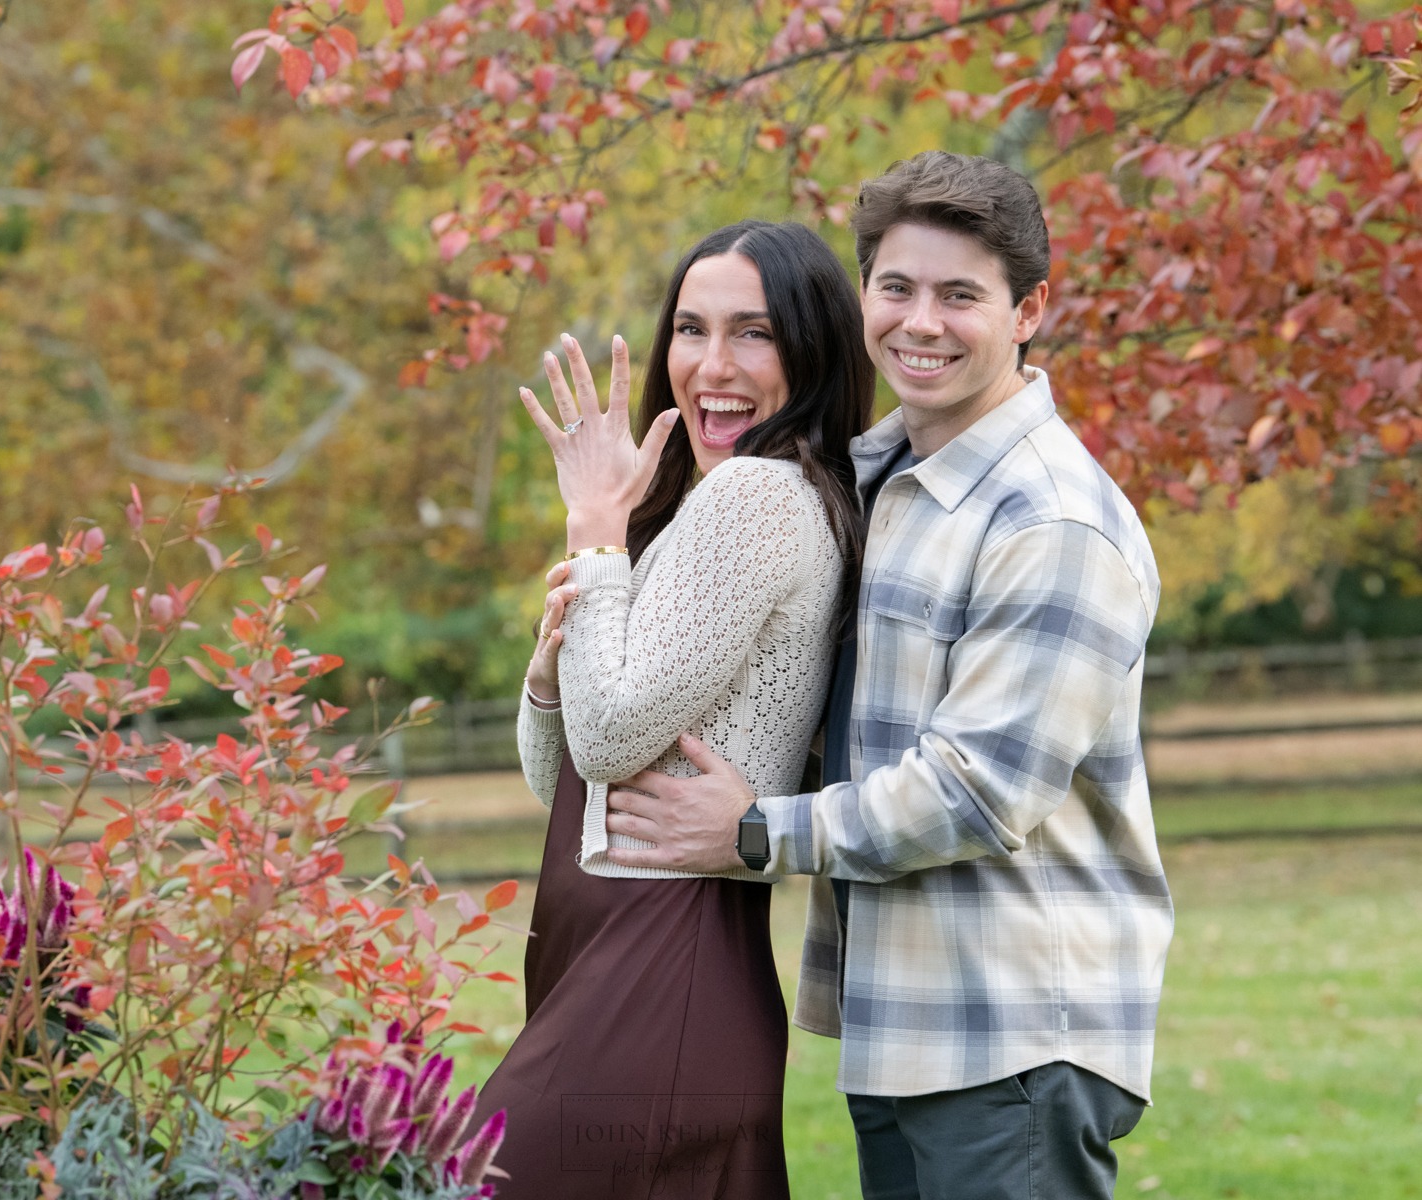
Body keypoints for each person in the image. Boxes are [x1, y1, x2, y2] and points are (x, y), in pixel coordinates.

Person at [599, 151, 1175, 1200]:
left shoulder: (1050, 520)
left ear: (1029, 309)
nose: (922, 323)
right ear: (863, 296)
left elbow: (980, 788)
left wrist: (756, 830)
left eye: (962, 295)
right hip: (899, 1022)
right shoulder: (876, 481)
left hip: (1010, 1035)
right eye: (897, 288)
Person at [475, 219, 874, 1200]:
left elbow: (608, 737)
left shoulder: (755, 497)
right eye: (691, 329)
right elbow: (560, 775)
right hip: (622, 962)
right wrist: (547, 664)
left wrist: (595, 532)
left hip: (661, 968)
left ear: (813, 350)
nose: (712, 365)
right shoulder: (706, 508)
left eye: (754, 333)